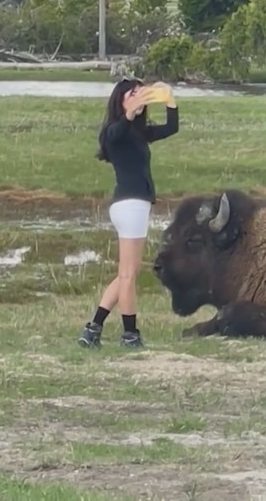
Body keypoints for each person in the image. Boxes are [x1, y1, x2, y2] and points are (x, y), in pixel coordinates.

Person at [78, 78, 179, 349]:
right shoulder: (115, 131)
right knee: (128, 275)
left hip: (134, 205)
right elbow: (114, 133)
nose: (138, 97)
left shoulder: (137, 132)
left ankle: (93, 329)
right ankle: (130, 334)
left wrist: (169, 100)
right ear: (121, 100)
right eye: (132, 94)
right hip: (130, 205)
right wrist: (130, 112)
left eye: (140, 93)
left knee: (127, 272)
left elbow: (171, 128)